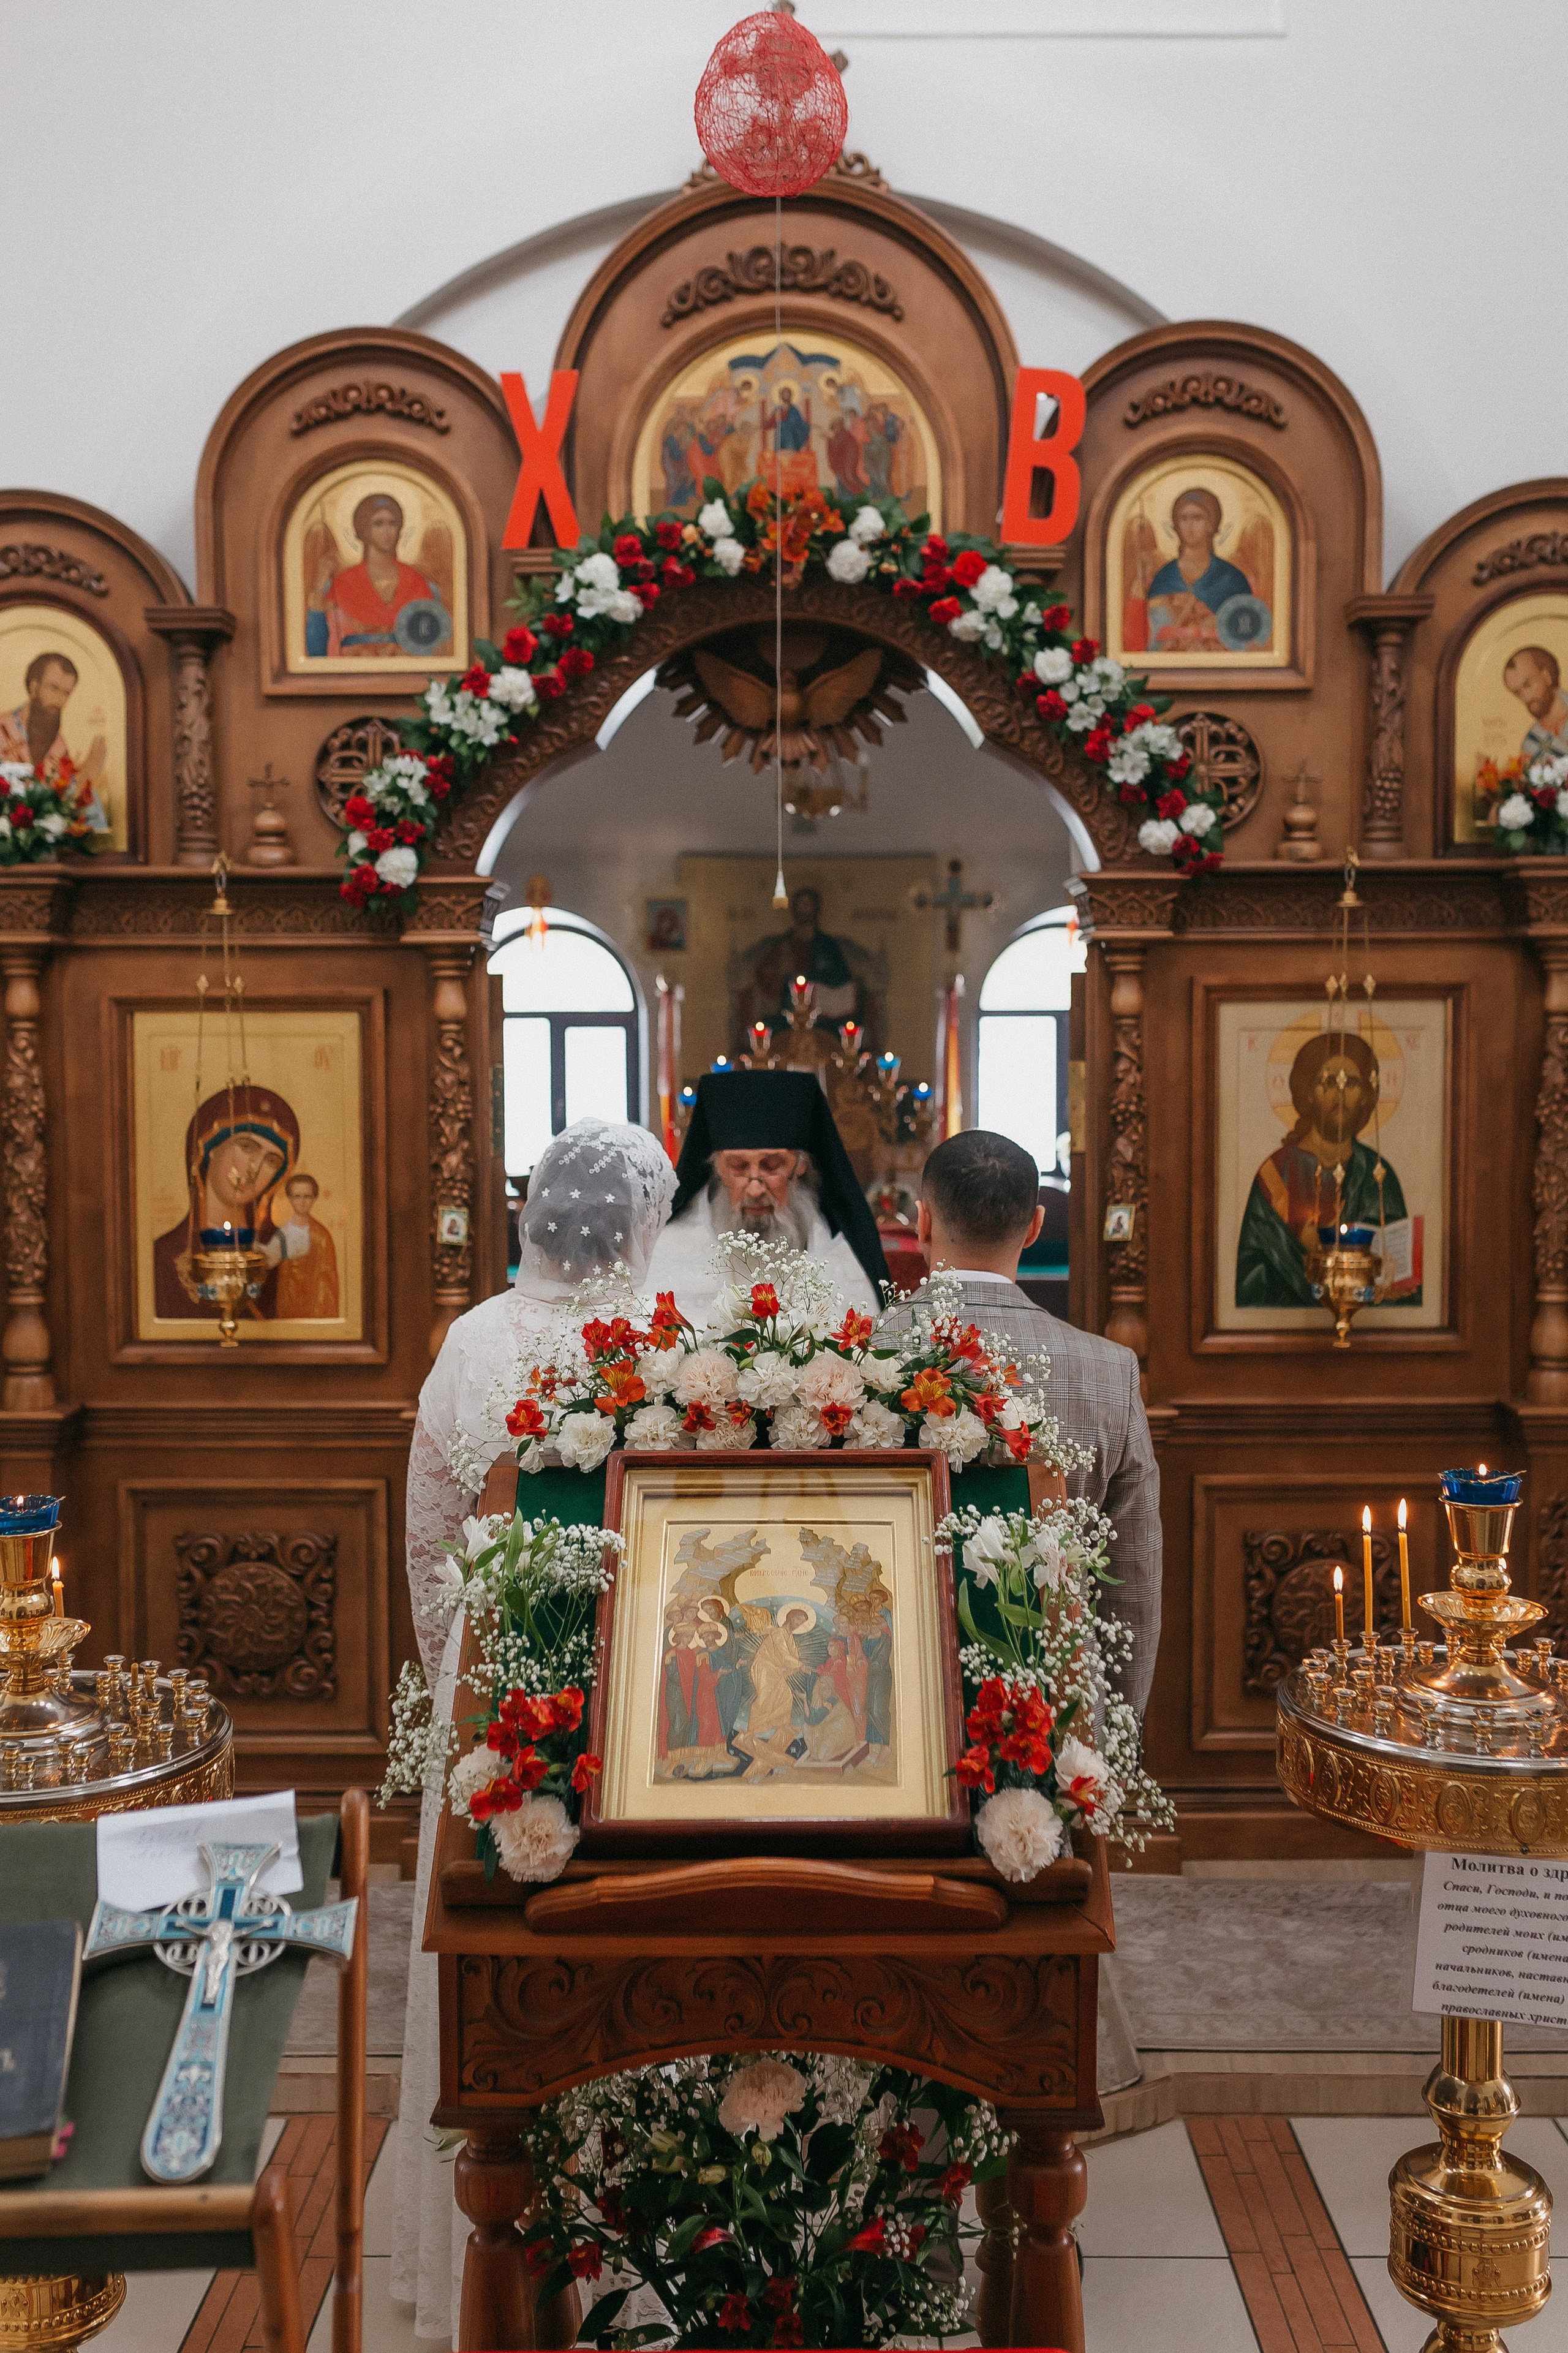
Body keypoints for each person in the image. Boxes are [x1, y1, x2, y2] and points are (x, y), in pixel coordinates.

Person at [393, 1117, 677, 2349]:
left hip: (496, 1682)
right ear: (636, 1225)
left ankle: (495, 2237)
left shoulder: (473, 1342)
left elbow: (428, 1535)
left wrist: (456, 1670)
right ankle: (650, 2246)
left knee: (496, 1946)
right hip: (644, 1687)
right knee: (634, 1950)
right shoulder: (676, 1338)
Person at [896, 1128, 1162, 1717]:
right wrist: (1110, 1748)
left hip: (897, 1708)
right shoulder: (1110, 1372)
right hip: (1052, 1717)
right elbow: (1134, 1588)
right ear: (1037, 1225)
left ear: (923, 1223)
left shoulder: (853, 1365)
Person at [645, 1068, 886, 1330]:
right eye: (738, 1167)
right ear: (716, 1169)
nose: (755, 1190)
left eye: (772, 1166)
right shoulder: (673, 1247)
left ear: (800, 1166)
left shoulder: (838, 1248)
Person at [1235, 1030, 1414, 1310]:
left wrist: (1387, 1281)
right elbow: (1250, 1283)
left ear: (1367, 1096)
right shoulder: (1276, 1173)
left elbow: (1402, 1285)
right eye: (1328, 1082)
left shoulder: (1378, 1173)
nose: (1340, 1093)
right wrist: (1306, 1259)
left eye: (1352, 1083)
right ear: (1308, 1093)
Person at [151, 1083, 299, 1322]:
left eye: (272, 1161)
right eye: (247, 1147)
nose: (254, 1171)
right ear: (209, 1149)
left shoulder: (280, 1254)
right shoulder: (163, 1258)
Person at [730, 884, 884, 1048]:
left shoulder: (827, 944)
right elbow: (763, 974)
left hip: (823, 1014)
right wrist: (780, 973)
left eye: (808, 904)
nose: (804, 909)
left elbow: (842, 977)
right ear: (794, 909)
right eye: (801, 904)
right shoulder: (784, 944)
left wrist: (810, 977)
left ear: (816, 909)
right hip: (788, 1011)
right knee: (770, 1028)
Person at [304, 492, 451, 660]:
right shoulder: (339, 585)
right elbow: (316, 651)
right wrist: (317, 588)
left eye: (393, 523)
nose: (387, 531)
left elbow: (436, 647)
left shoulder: (422, 585)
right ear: (363, 530)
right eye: (378, 524)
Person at [0, 651, 110, 831]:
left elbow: (66, 805)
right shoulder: (3, 730)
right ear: (34, 687)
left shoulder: (59, 747)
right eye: (53, 688)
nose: (59, 700)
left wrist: (83, 781)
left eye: (66, 693)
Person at [1144, 488, 1262, 655]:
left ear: (1212, 524)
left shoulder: (1233, 579)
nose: (1190, 525)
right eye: (1184, 518)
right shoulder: (1163, 578)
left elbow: (1247, 638)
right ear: (1175, 526)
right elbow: (1151, 640)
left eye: (1198, 518)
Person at [263, 1171, 339, 1318]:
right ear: (290, 1199)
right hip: (288, 1299)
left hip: (314, 1302)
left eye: (307, 1197)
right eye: (297, 1196)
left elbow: (328, 1277)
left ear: (314, 1199)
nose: (302, 1202)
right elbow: (270, 1260)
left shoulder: (321, 1235)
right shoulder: (283, 1232)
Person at [1504, 644, 1568, 763]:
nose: (1526, 697)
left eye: (1528, 685)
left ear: (1547, 676)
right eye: (1518, 693)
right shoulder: (1530, 744)